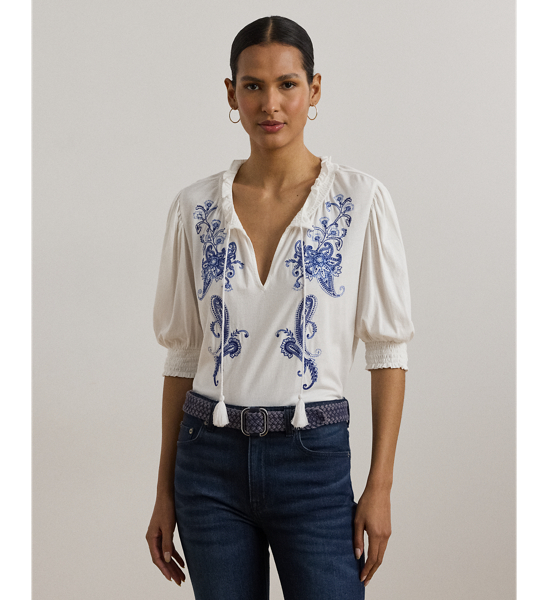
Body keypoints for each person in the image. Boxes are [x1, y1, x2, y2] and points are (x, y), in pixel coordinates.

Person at [146, 15, 415, 600]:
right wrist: (163, 491)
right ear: (231, 93)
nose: (270, 103)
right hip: (208, 465)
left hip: (313, 461)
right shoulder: (194, 208)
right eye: (253, 85)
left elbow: (387, 350)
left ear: (314, 90)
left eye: (287, 84)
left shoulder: (360, 201)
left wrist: (380, 486)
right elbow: (183, 357)